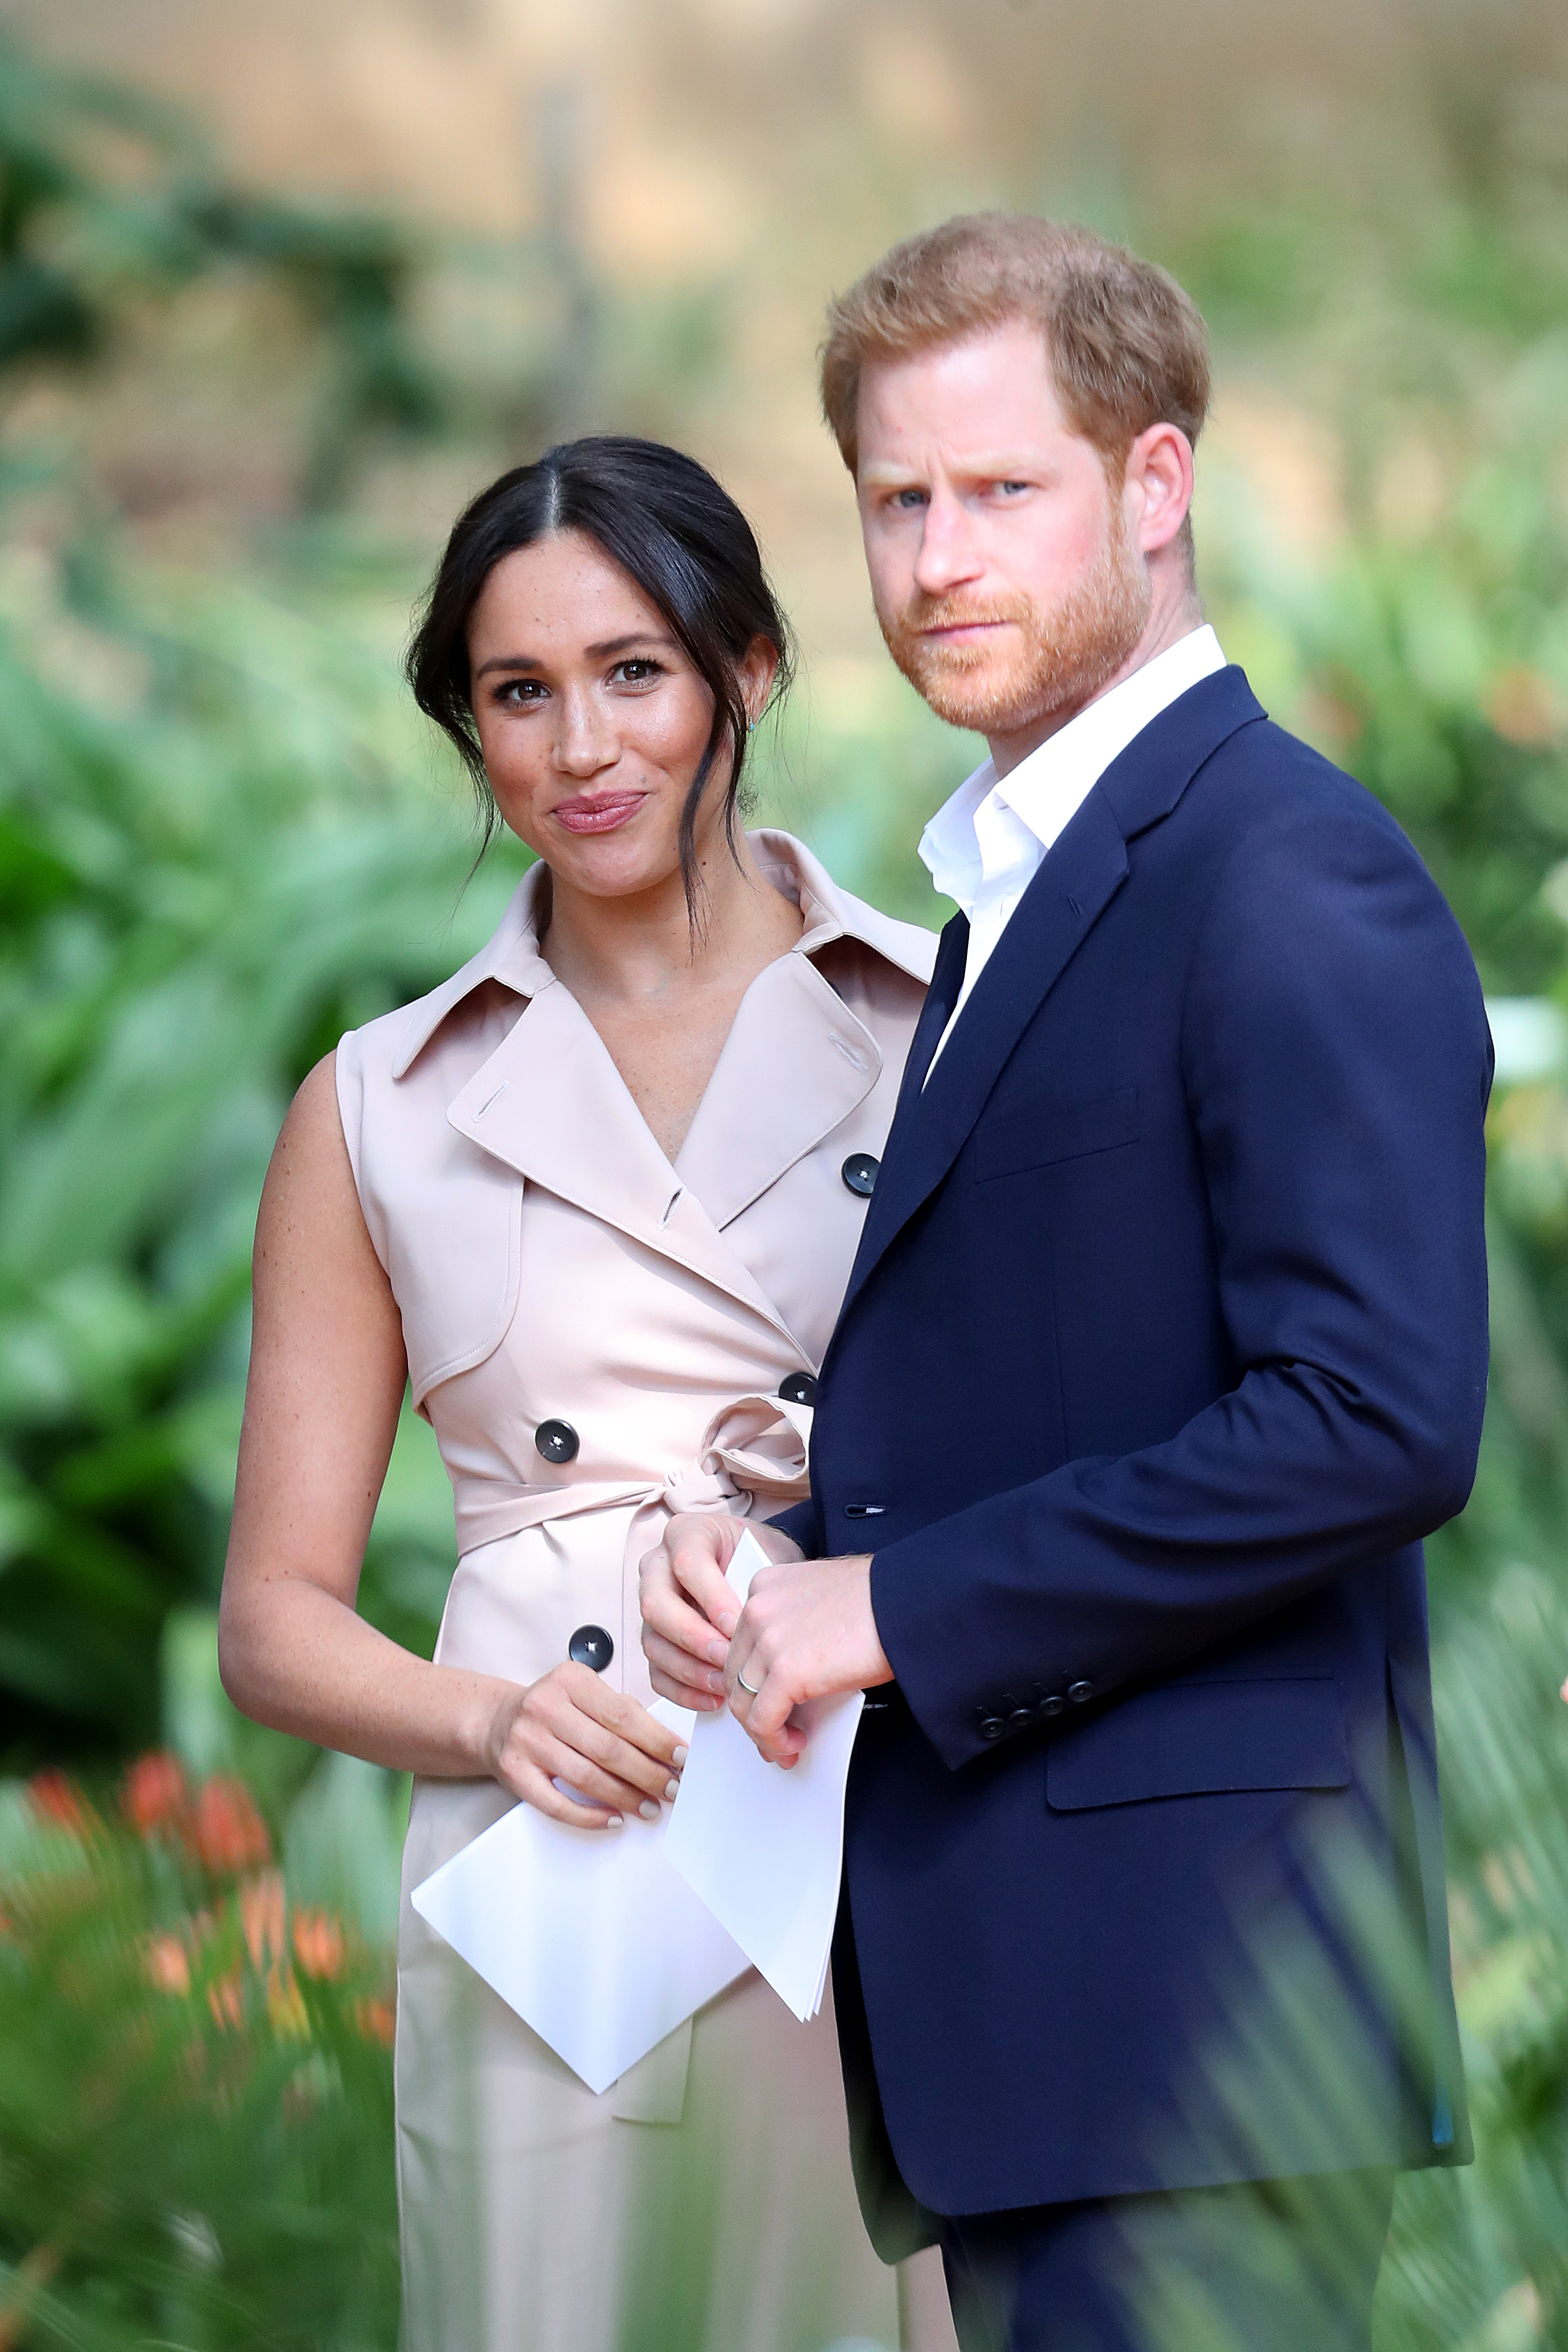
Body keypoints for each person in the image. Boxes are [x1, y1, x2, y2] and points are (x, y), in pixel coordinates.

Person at [640, 217, 1493, 2352]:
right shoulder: (1009, 893)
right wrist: (783, 1555)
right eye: (897, 500)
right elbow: (1061, 1375)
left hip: (1199, 2034)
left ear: (1155, 486)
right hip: (1051, 2034)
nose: (936, 558)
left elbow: (1376, 1417)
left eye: (1000, 490)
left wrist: (895, 1613)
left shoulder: (1286, 874)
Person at [218, 435, 959, 2352]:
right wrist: (495, 1721)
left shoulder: (937, 1028)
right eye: (516, 693)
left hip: (871, 1828)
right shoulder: (382, 1103)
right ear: (469, 729)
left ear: (751, 671)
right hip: (559, 1887)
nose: (581, 746)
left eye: (634, 671)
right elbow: (274, 1624)